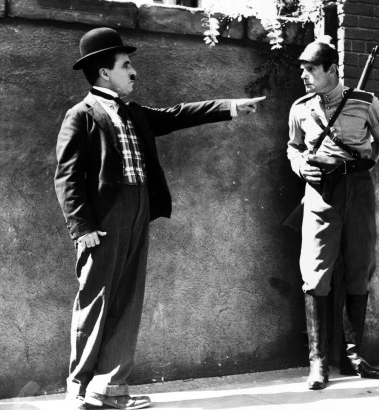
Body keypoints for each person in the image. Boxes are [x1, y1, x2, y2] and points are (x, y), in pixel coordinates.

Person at [54, 27, 265, 409]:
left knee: (128, 300)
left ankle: (109, 390)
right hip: (104, 218)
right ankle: (78, 391)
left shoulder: (133, 112)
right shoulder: (80, 115)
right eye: (126, 65)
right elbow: (67, 176)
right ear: (104, 72)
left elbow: (176, 115)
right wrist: (82, 227)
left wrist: (229, 106)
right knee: (95, 301)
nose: (133, 72)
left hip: (138, 209)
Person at [286, 37, 379, 390]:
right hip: (320, 191)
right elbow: (293, 146)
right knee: (315, 273)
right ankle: (318, 363)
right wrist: (301, 167)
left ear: (332, 70)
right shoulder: (300, 108)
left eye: (311, 69)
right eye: (302, 69)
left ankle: (354, 355)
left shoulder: (366, 102)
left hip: (358, 189)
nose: (304, 75)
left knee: (360, 267)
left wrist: (364, 168)